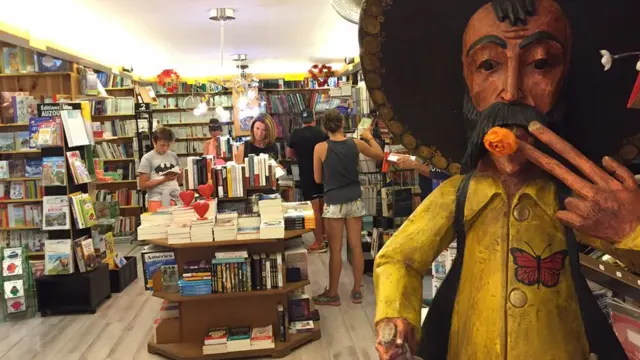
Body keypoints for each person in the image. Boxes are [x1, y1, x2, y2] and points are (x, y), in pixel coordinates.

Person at [362, 0, 640, 359]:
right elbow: (400, 258)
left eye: (540, 64)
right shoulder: (457, 196)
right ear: (466, 83)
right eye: (488, 65)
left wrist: (631, 230)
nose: (511, 92)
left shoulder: (576, 199)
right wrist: (396, 314)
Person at [311, 109, 384, 306]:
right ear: (342, 125)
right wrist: (369, 137)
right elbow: (379, 155)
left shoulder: (320, 148)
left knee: (335, 249)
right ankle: (356, 290)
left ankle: (333, 293)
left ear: (324, 127)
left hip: (333, 201)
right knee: (356, 246)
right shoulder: (355, 143)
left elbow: (317, 179)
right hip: (354, 199)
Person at [286, 108, 329, 253]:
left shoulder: (295, 134)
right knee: (324, 207)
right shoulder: (321, 133)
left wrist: (301, 155)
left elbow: (289, 154)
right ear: (314, 119)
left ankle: (319, 242)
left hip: (306, 174)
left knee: (314, 209)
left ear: (301, 121)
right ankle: (325, 237)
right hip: (323, 173)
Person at [138, 127, 182, 213]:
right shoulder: (147, 158)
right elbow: (142, 185)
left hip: (175, 199)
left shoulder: (173, 156)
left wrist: (180, 174)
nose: (165, 148)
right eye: (162, 145)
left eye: (168, 145)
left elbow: (179, 182)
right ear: (154, 142)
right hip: (156, 200)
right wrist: (165, 179)